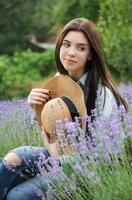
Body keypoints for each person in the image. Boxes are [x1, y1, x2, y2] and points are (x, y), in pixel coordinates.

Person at [0, 18, 128, 200]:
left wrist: (56, 156)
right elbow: (48, 132)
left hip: (91, 170)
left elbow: (108, 155)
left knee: (17, 195)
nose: (71, 53)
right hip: (61, 157)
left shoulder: (102, 95)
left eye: (81, 48)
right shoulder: (59, 83)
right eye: (66, 45)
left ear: (91, 54)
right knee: (11, 160)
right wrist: (34, 108)